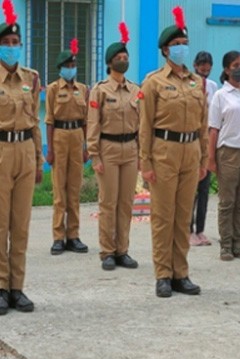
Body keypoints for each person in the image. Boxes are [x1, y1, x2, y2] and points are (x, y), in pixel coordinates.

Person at [139, 6, 208, 298]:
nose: (182, 49)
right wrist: (146, 162)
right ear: (166, 50)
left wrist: (204, 158)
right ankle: (163, 274)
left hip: (190, 151)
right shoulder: (154, 82)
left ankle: (181, 272)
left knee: (183, 217)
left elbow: (203, 124)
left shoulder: (197, 82)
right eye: (176, 45)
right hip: (164, 151)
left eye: (185, 44)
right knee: (163, 216)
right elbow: (145, 125)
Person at [0, 1, 44, 314]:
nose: (12, 48)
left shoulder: (31, 78)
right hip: (1, 153)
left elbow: (35, 122)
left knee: (21, 225)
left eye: (16, 44)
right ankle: (1, 287)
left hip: (26, 153)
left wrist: (40, 160)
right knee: (0, 225)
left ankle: (18, 287)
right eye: (6, 44)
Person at [86, 23, 140, 271]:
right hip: (107, 148)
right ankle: (107, 251)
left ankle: (122, 250)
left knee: (126, 202)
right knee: (108, 202)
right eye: (118, 58)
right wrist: (94, 154)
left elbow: (142, 125)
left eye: (125, 57)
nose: (123, 61)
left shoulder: (135, 90)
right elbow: (93, 123)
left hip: (130, 149)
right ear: (109, 63)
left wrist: (142, 154)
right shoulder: (99, 91)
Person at [207, 50, 240, 261]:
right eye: (235, 65)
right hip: (229, 150)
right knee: (227, 201)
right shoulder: (221, 95)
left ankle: (238, 243)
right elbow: (213, 129)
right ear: (227, 69)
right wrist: (211, 158)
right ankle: (226, 245)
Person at [46, 38, 89, 255]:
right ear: (60, 68)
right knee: (59, 191)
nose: (71, 69)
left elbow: (86, 121)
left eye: (73, 66)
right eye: (67, 66)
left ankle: (73, 235)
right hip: (60, 137)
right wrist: (50, 150)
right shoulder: (54, 89)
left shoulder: (83, 89)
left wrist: (86, 146)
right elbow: (49, 120)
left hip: (76, 137)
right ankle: (58, 237)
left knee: (74, 189)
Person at [189, 50, 218, 247]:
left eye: (207, 64)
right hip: (192, 137)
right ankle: (187, 229)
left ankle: (200, 229)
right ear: (195, 65)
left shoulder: (214, 86)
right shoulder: (190, 83)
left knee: (205, 187)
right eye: (201, 64)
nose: (204, 68)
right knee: (191, 189)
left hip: (207, 138)